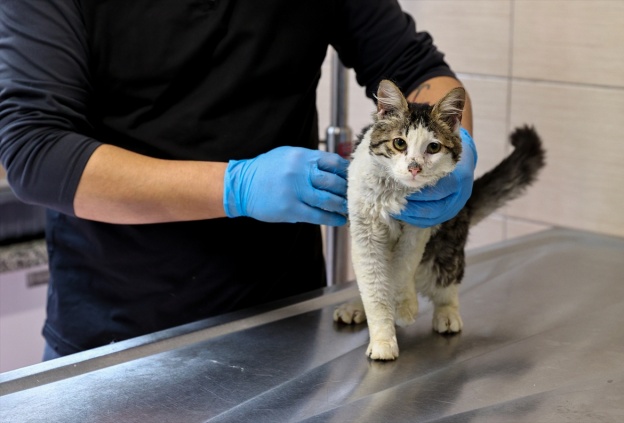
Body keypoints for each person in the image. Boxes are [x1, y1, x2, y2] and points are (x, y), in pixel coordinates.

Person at [0, 0, 476, 359]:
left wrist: (457, 147)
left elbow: (418, 71)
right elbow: (34, 151)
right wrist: (238, 186)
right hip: (117, 332)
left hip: (286, 318)